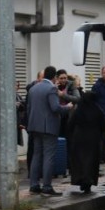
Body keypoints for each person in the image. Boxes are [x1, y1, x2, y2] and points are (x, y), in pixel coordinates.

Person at [26, 66, 72, 196]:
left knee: (36, 155)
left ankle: (34, 185)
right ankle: (47, 186)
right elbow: (55, 108)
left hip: (34, 126)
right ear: (54, 77)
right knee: (48, 156)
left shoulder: (33, 88)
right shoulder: (51, 88)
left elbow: (29, 108)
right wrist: (67, 107)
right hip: (48, 127)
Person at [67, 91, 105, 194]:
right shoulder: (97, 110)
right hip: (93, 139)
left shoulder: (78, 110)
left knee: (79, 161)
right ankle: (88, 182)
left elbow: (70, 124)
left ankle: (80, 179)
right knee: (91, 162)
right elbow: (103, 125)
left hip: (78, 138)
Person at [0, 81, 26, 146]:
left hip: (2, 123)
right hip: (4, 124)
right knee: (7, 145)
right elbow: (4, 108)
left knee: (6, 145)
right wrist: (14, 105)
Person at [91, 65, 105, 163]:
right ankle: (99, 157)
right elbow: (93, 101)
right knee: (100, 138)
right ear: (102, 74)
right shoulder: (97, 86)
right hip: (101, 116)